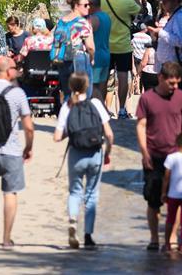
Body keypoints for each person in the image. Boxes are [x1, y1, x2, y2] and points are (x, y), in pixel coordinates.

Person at [136, 60, 182, 252]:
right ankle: (154, 238)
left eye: (178, 83)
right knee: (153, 201)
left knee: (175, 201)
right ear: (161, 78)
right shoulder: (147, 98)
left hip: (176, 157)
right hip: (154, 156)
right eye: (171, 83)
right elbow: (141, 125)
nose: (175, 87)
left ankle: (172, 237)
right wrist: (144, 152)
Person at [53, 72, 114, 250]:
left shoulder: (67, 106)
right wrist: (107, 153)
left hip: (76, 153)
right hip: (95, 153)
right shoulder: (96, 104)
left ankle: (73, 222)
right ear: (87, 86)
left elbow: (57, 137)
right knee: (92, 195)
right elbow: (109, 134)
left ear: (70, 86)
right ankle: (87, 235)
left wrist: (71, 132)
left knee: (75, 192)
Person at [0, 56, 34, 249]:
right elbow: (28, 127)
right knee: (10, 193)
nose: (17, 71)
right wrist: (28, 147)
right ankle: (6, 239)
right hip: (11, 150)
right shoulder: (17, 93)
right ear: (7, 71)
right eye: (15, 67)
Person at [99, 0, 141, 118]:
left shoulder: (100, 0)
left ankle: (102, 108)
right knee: (123, 77)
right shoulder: (127, 2)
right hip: (123, 46)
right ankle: (122, 109)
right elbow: (141, 10)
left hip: (105, 45)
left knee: (104, 78)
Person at [146, 0, 182, 91]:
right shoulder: (177, 15)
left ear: (174, 1)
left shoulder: (180, 17)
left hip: (179, 66)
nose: (163, 4)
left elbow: (179, 41)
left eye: (165, 1)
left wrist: (160, 32)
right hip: (174, 66)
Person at [50, 0, 95, 99]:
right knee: (83, 94)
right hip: (79, 59)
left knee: (67, 93)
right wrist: (92, 58)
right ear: (76, 6)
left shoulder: (61, 22)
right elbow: (90, 47)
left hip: (62, 59)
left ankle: (68, 109)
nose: (88, 7)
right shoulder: (83, 22)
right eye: (85, 5)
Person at [87, 0, 111, 102]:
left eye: (87, 5)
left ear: (91, 5)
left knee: (93, 86)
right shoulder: (106, 17)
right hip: (106, 54)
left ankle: (97, 107)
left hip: (95, 57)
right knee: (102, 86)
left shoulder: (93, 19)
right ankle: (100, 106)